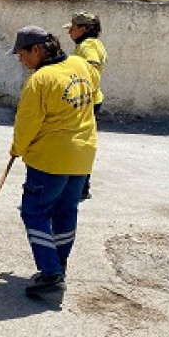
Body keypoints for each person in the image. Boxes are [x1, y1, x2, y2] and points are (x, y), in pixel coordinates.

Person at [9, 25, 99, 297]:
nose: (20, 60)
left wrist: (16, 149)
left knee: (34, 212)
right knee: (65, 211)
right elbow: (93, 100)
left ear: (36, 50)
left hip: (50, 159)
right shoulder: (81, 65)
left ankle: (50, 275)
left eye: (22, 54)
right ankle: (58, 264)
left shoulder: (40, 80)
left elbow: (27, 123)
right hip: (82, 156)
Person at [64, 12, 107, 201]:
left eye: (72, 29)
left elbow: (92, 65)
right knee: (82, 142)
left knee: (78, 144)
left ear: (83, 29)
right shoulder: (92, 44)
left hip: (86, 101)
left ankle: (80, 187)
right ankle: (81, 186)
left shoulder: (88, 45)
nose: (69, 33)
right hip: (91, 100)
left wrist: (80, 85)